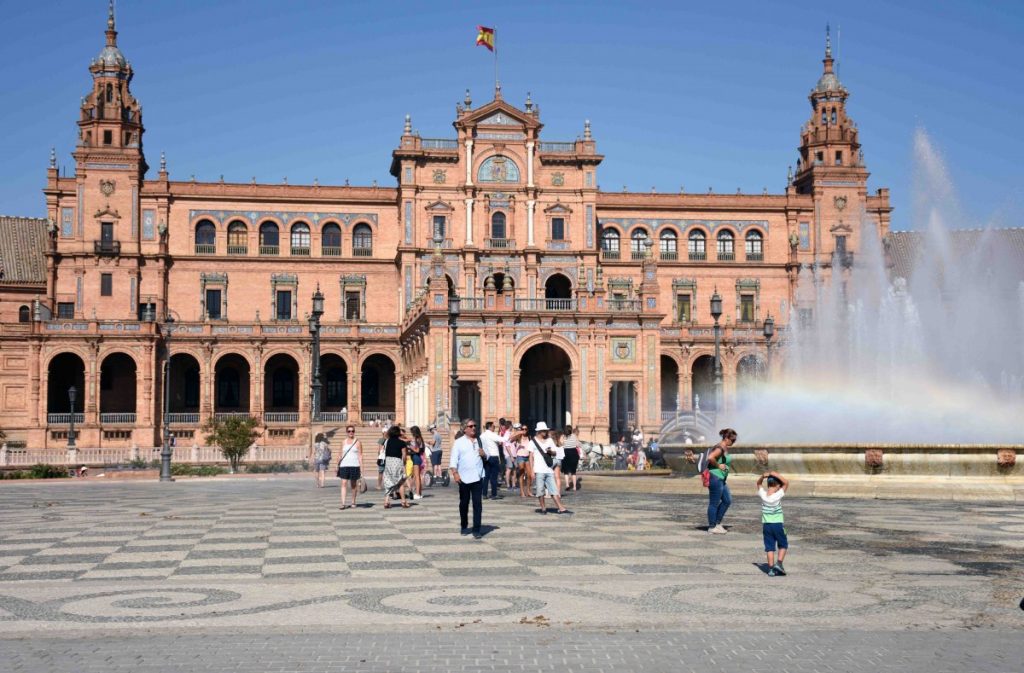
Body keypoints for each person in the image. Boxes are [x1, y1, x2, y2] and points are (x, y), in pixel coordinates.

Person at [450, 418, 486, 539]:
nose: (473, 428)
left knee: (477, 504)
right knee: (464, 503)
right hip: (464, 477)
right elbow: (454, 459)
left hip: (478, 476)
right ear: (464, 429)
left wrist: (484, 454)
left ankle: (477, 529)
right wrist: (455, 473)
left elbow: (488, 456)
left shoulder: (480, 440)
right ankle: (464, 526)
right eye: (470, 426)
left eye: (475, 426)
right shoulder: (459, 442)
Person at [530, 422, 568, 515]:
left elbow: (555, 453)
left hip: (549, 469)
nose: (545, 432)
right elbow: (531, 457)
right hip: (538, 469)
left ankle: (560, 507)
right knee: (540, 491)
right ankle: (543, 508)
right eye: (543, 431)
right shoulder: (533, 442)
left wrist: (551, 451)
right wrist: (531, 470)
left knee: (554, 489)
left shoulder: (550, 440)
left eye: (546, 430)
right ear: (539, 431)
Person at [757, 470, 790, 576]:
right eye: (779, 486)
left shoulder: (763, 495)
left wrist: (763, 476)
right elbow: (786, 483)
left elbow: (758, 484)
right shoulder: (778, 495)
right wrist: (775, 474)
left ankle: (771, 569)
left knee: (770, 547)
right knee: (783, 544)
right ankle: (779, 564)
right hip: (777, 524)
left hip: (766, 525)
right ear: (777, 485)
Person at [707, 428, 738, 534]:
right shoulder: (720, 447)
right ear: (726, 438)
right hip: (715, 477)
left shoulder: (724, 447)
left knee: (727, 500)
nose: (733, 442)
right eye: (732, 440)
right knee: (714, 503)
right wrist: (718, 465)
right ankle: (712, 526)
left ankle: (717, 523)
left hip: (721, 479)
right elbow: (710, 457)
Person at [381, 424, 409, 509]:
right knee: (400, 482)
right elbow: (404, 455)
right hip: (397, 462)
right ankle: (403, 501)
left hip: (388, 461)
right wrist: (404, 463)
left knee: (388, 481)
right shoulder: (402, 443)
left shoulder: (387, 441)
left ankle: (386, 501)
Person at [337, 425, 362, 510]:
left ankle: (353, 501)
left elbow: (360, 455)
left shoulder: (358, 442)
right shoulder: (343, 442)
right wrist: (337, 465)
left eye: (352, 431)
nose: (351, 432)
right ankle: (343, 503)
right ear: (346, 432)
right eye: (349, 431)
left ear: (354, 432)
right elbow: (340, 454)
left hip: (354, 465)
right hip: (344, 465)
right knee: (343, 483)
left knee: (353, 485)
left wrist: (362, 467)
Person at [479, 421, 503, 499]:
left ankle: (484, 494)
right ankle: (494, 494)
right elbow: (502, 440)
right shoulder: (492, 435)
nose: (494, 428)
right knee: (494, 476)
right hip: (494, 456)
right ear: (490, 427)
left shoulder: (482, 435)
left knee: (486, 476)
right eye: (493, 427)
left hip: (486, 457)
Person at [514, 423, 532, 497]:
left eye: (525, 429)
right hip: (520, 456)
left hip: (527, 457)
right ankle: (522, 491)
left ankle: (528, 490)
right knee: (521, 474)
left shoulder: (529, 437)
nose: (524, 430)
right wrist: (518, 432)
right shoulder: (518, 437)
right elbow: (510, 439)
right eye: (523, 429)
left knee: (529, 475)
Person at [408, 425, 426, 500]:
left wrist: (410, 447)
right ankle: (420, 493)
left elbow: (417, 450)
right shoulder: (418, 439)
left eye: (412, 432)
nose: (411, 433)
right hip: (415, 457)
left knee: (417, 476)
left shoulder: (418, 439)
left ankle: (418, 493)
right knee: (417, 476)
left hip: (416, 457)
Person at [561, 425, 581, 492]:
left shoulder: (563, 436)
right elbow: (578, 444)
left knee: (566, 471)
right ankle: (574, 487)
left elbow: (561, 444)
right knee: (573, 472)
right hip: (573, 453)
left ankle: (567, 485)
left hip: (565, 453)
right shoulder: (574, 436)